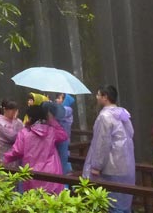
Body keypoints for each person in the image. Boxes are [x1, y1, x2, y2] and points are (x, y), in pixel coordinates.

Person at [83, 85, 136, 213]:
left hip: (110, 165)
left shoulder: (105, 116)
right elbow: (131, 134)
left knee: (112, 202)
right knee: (123, 199)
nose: (96, 97)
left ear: (105, 97)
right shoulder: (122, 113)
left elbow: (102, 143)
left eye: (98, 94)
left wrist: (96, 166)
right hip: (125, 163)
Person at [3, 104, 68, 194]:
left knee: (34, 204)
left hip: (33, 175)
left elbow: (17, 151)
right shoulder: (51, 131)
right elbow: (63, 135)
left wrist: (4, 158)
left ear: (29, 118)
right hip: (52, 175)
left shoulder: (24, 133)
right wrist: (51, 120)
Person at [0, 99, 24, 168]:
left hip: (15, 153)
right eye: (12, 110)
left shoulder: (18, 121)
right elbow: (12, 136)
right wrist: (14, 121)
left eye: (15, 110)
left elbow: (22, 135)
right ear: (5, 109)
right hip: (2, 152)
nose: (14, 112)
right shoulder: (0, 120)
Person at [52, 93, 75, 173]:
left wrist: (50, 105)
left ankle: (65, 183)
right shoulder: (63, 109)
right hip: (59, 139)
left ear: (65, 100)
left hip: (63, 140)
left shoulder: (67, 109)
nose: (56, 100)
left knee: (63, 162)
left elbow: (58, 114)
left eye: (59, 98)